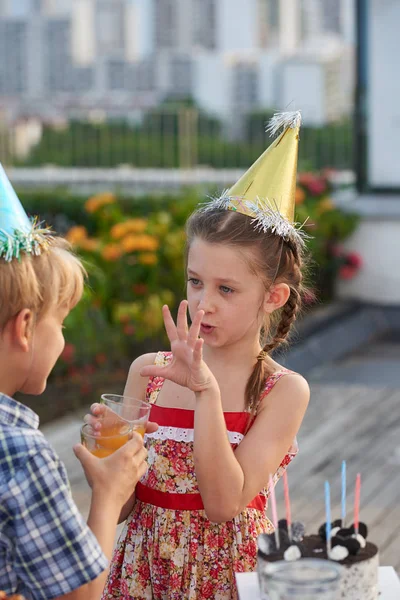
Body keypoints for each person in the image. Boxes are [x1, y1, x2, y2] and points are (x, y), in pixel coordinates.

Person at [96, 111, 310, 599]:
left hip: (226, 578)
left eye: (227, 289)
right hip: (142, 574)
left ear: (273, 297)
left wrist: (205, 392)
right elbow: (123, 507)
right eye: (195, 282)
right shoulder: (147, 373)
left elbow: (223, 504)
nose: (202, 303)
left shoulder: (282, 391)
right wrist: (108, 450)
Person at [0, 164, 156, 600]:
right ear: (26, 326)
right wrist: (109, 493)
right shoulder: (19, 452)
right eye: (61, 322)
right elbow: (81, 593)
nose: (63, 338)